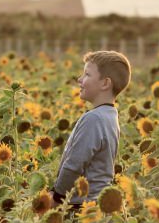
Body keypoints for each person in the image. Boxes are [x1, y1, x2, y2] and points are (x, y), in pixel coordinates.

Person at [52, 51, 131, 210]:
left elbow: (74, 164)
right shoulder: (110, 116)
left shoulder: (93, 119)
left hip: (81, 206)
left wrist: (57, 196)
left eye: (87, 74)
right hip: (98, 202)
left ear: (105, 83)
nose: (80, 79)